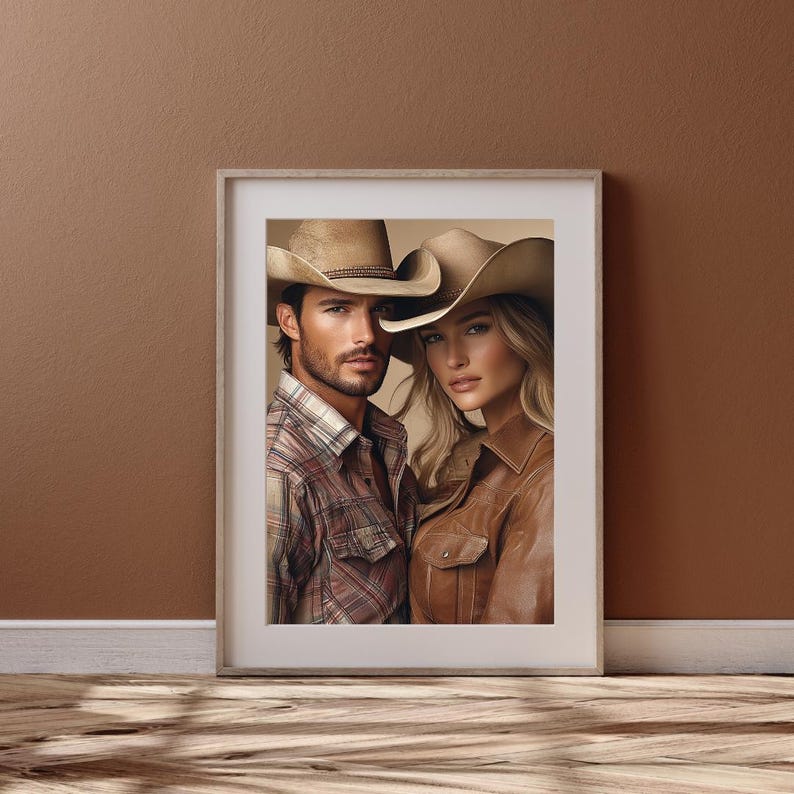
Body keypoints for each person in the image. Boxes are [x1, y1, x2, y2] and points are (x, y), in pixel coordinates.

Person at [266, 219, 441, 623]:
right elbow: (257, 657)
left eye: (380, 308)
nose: (366, 334)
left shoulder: (384, 444)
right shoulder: (279, 472)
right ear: (290, 321)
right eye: (338, 308)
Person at [381, 228, 555, 624]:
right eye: (434, 338)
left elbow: (515, 655)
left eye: (477, 328)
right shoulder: (462, 465)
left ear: (521, 334)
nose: (454, 357)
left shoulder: (548, 476)